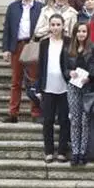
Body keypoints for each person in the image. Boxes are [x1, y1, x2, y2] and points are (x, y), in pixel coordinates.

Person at [2, 0, 44, 123]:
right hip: (17, 46)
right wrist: (6, 49)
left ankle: (35, 112)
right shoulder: (12, 7)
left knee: (34, 80)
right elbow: (7, 28)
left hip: (33, 45)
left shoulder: (40, 7)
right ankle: (13, 113)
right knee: (16, 80)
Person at [36, 14, 71, 163]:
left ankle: (62, 151)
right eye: (53, 25)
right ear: (49, 26)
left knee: (64, 119)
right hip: (48, 86)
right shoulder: (44, 43)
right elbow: (41, 65)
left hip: (65, 86)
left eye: (58, 25)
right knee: (48, 120)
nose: (55, 28)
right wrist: (39, 87)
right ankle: (49, 151)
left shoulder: (69, 42)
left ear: (63, 26)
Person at [65, 22, 94, 166]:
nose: (81, 34)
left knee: (85, 121)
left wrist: (90, 77)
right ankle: (75, 152)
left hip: (87, 88)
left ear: (88, 33)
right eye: (78, 31)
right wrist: (69, 72)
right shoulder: (68, 49)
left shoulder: (93, 48)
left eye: (84, 31)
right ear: (75, 33)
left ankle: (83, 153)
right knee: (75, 120)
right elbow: (64, 69)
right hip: (73, 87)